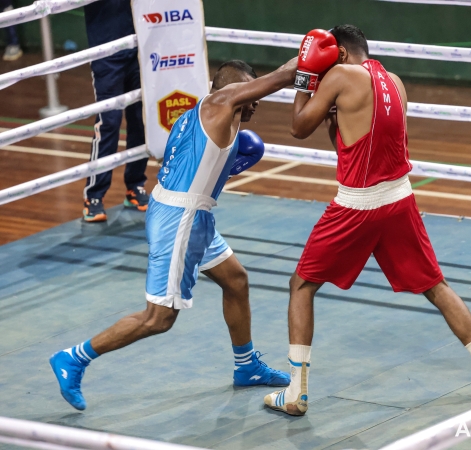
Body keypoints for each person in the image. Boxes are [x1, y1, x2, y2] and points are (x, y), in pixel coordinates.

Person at [264, 25, 471, 416]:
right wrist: (335, 120)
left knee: (301, 285)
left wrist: (305, 77)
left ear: (341, 54)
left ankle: (296, 392)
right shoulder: (394, 82)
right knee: (436, 286)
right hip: (400, 199)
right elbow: (353, 144)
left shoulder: (339, 75)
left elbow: (297, 128)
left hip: (357, 205)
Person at [49, 58, 298, 410]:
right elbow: (281, 76)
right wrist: (323, 50)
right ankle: (74, 358)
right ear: (227, 89)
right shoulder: (222, 103)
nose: (254, 99)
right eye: (247, 90)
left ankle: (246, 367)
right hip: (180, 219)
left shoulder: (207, 114)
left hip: (187, 211)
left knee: (236, 280)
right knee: (158, 318)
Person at [82, 0, 149, 222]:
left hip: (139, 46)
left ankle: (135, 185)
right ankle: (94, 196)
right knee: (109, 121)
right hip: (106, 52)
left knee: (140, 119)